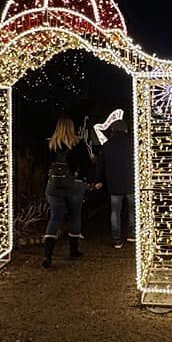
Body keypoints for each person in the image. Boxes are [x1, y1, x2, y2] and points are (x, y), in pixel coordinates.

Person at [42, 114, 95, 268]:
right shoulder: (78, 144)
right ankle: (73, 250)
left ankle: (47, 254)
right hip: (75, 184)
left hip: (54, 185)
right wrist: (89, 179)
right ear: (71, 128)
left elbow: (45, 165)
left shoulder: (50, 144)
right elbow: (86, 165)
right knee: (75, 216)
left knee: (55, 217)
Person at [94, 118, 135, 249]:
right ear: (125, 129)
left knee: (115, 211)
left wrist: (97, 180)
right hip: (131, 182)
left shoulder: (107, 145)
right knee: (133, 210)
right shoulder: (132, 144)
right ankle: (132, 234)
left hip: (114, 183)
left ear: (112, 129)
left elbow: (100, 166)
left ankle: (117, 239)